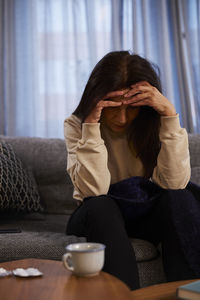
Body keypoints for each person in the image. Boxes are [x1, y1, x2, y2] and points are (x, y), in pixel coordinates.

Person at [64, 51, 199, 290]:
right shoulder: (77, 124)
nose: (123, 118)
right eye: (113, 107)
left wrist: (168, 115)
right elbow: (92, 191)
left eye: (132, 108)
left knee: (181, 198)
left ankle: (189, 293)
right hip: (97, 216)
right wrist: (92, 127)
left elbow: (174, 185)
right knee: (100, 204)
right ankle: (123, 297)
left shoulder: (153, 120)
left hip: (144, 213)